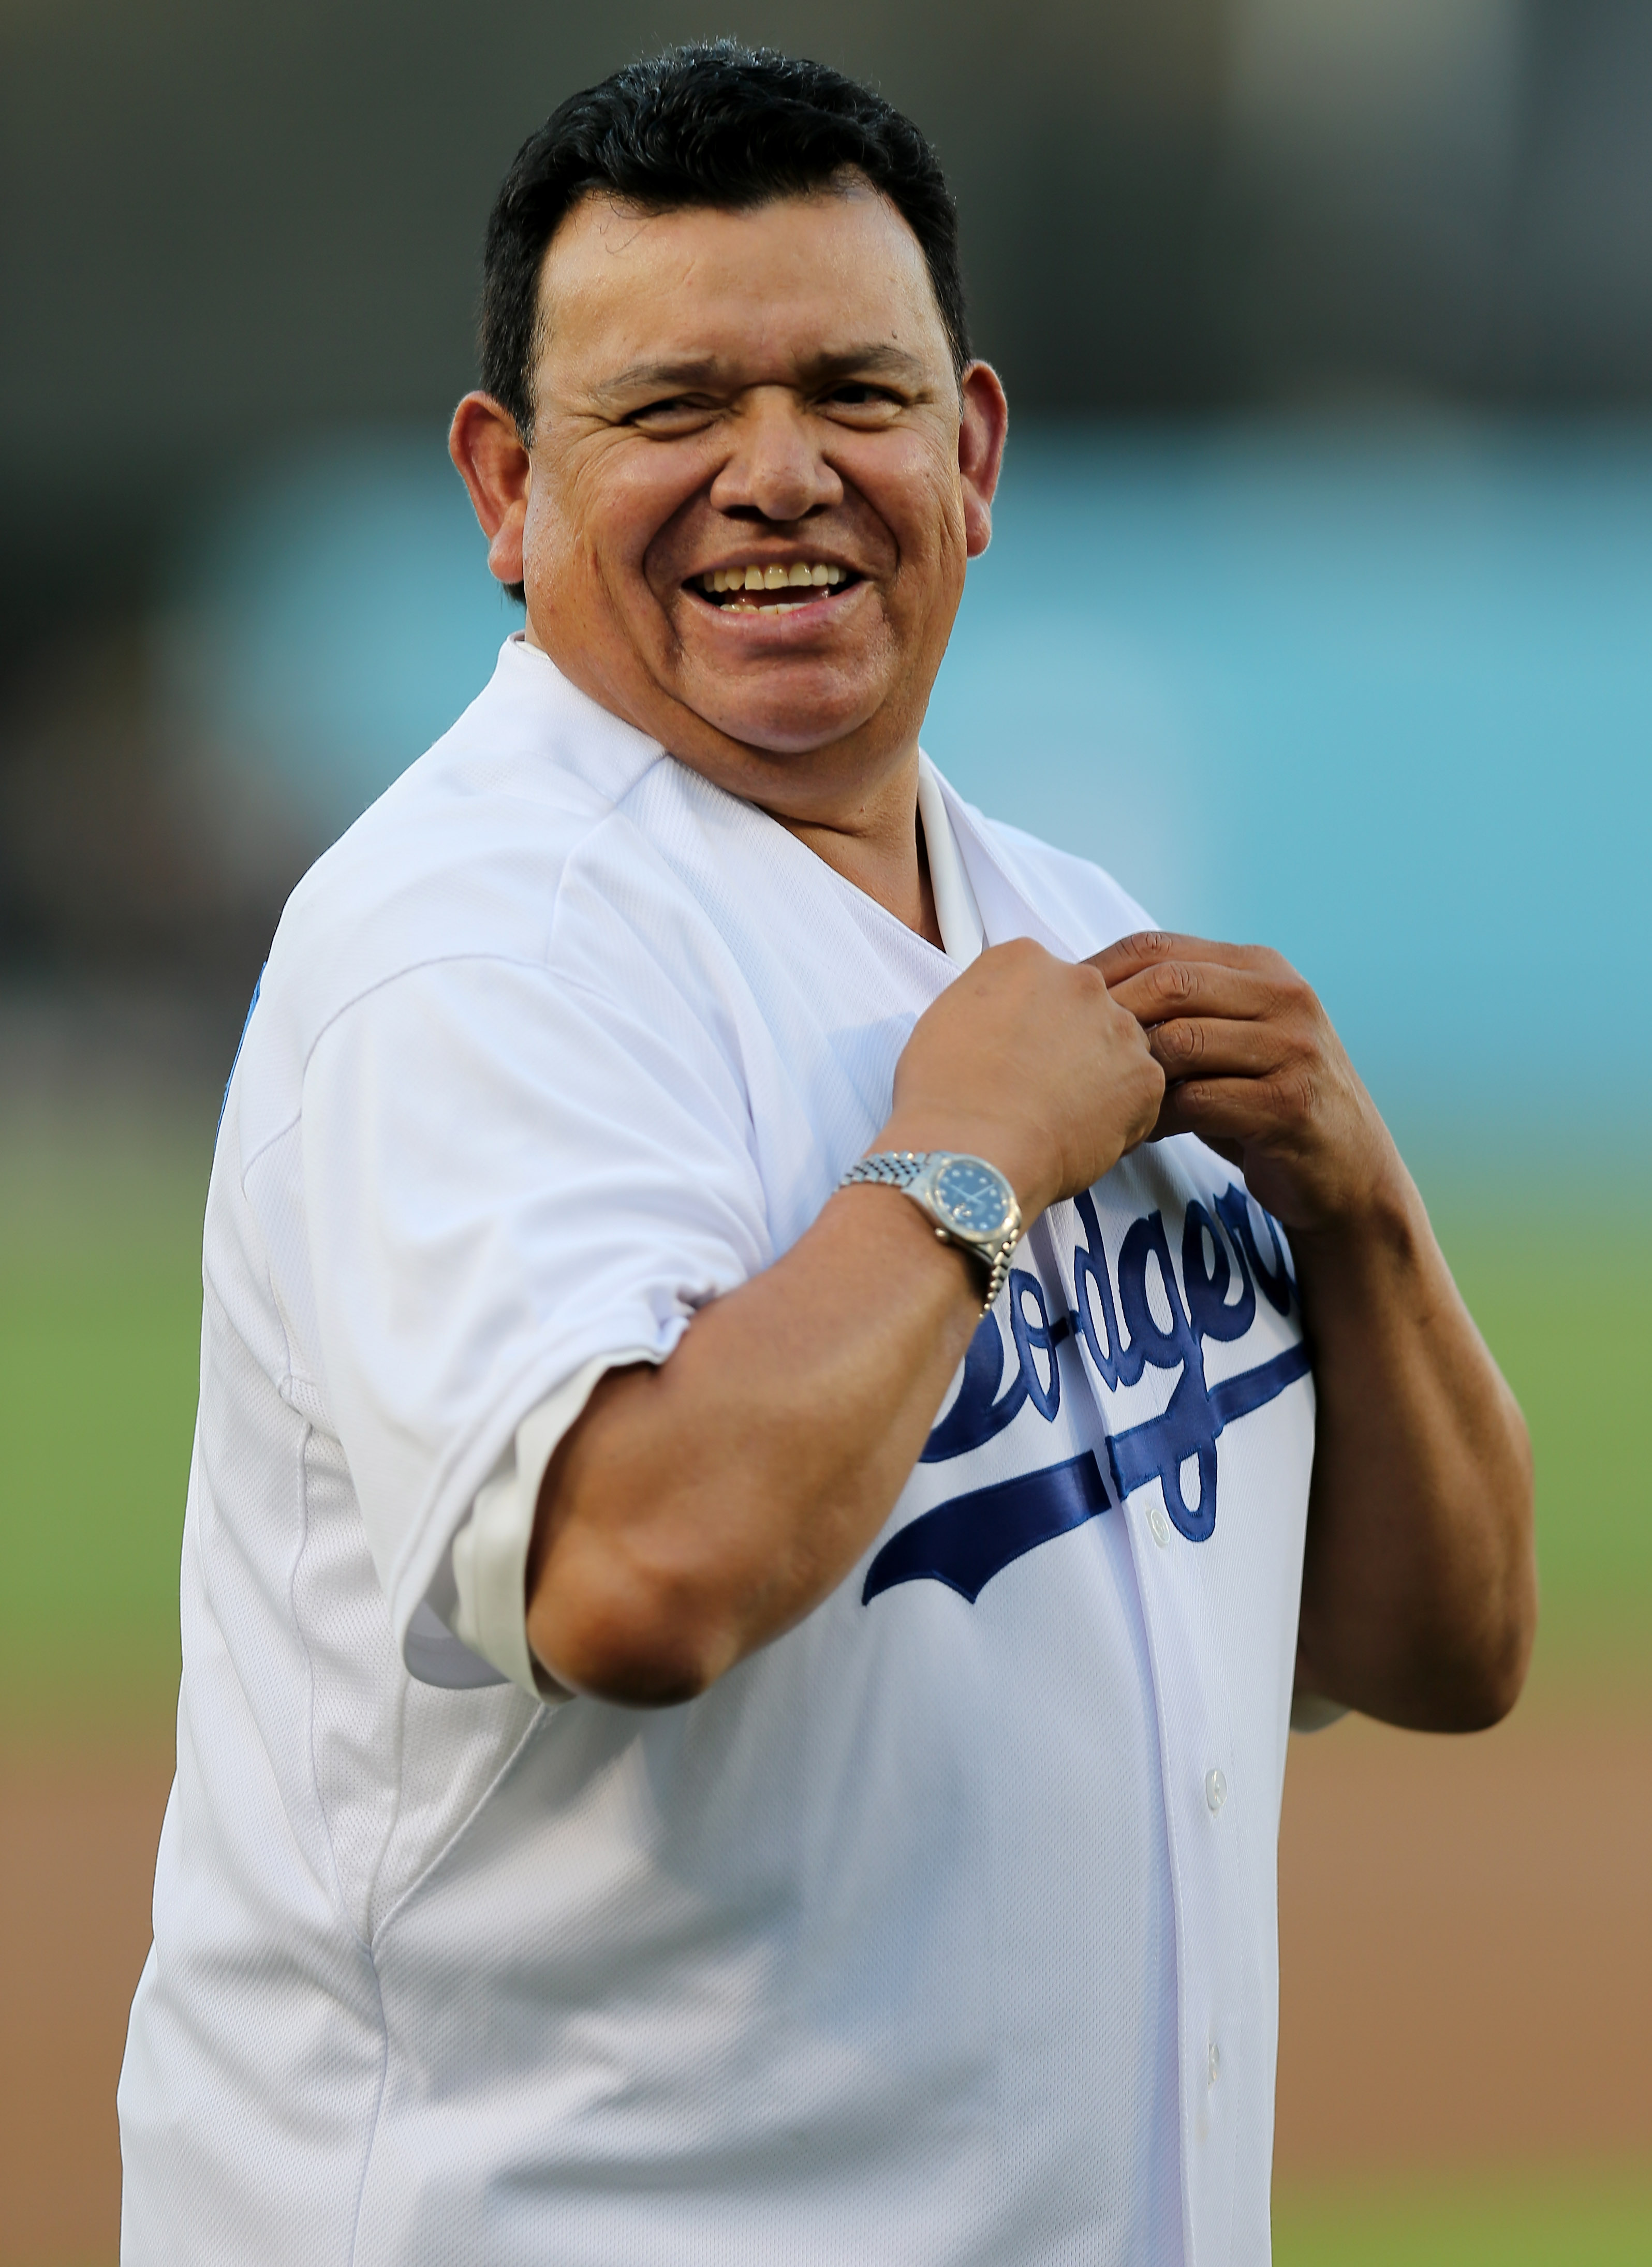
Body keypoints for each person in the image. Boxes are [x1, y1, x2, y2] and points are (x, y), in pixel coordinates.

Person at [118, 43, 1536, 2267]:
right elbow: (633, 1578)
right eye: (671, 410)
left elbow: (1440, 1653)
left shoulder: (1066, 937)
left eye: (851, 396)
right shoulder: (471, 948)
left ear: (970, 453)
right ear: (507, 491)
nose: (778, 475)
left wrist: (1361, 1216)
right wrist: (964, 1169)